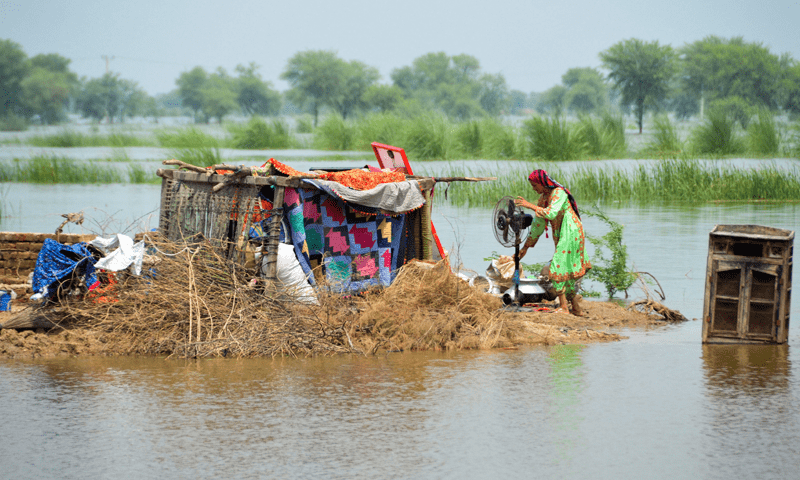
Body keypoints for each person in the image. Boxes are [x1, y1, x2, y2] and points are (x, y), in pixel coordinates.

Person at [515, 169, 591, 316]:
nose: (533, 189)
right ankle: (576, 308)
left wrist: (529, 205)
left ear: (542, 183)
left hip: (571, 232)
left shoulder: (559, 193)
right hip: (562, 233)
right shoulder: (543, 199)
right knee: (567, 269)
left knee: (557, 267)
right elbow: (538, 225)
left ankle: (563, 307)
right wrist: (525, 248)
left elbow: (551, 213)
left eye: (534, 185)